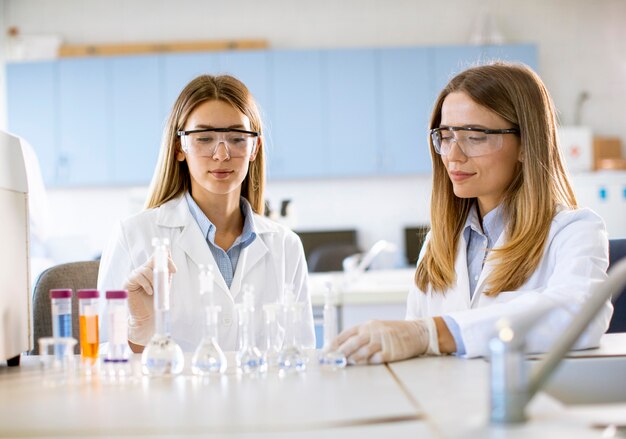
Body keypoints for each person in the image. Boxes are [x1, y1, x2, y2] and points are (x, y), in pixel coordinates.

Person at [332, 62, 613, 364]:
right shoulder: (438, 246)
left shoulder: (574, 231)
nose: (453, 155)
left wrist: (432, 333)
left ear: (526, 145)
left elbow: (579, 314)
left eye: (474, 137)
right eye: (446, 136)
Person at [97, 75, 315, 353]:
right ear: (179, 147)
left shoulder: (286, 246)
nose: (222, 154)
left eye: (237, 138)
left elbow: (304, 358)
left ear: (254, 148)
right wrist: (139, 332)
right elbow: (99, 365)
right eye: (204, 138)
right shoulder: (134, 236)